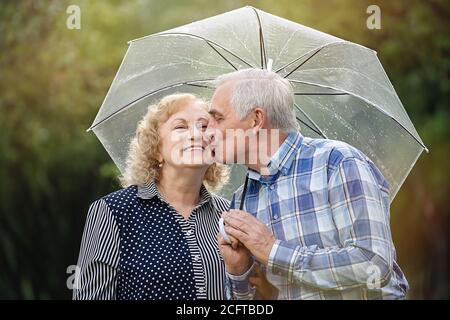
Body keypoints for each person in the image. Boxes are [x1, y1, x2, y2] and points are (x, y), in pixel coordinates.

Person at [205, 68, 409, 299]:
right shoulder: (241, 200)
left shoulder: (337, 162)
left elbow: (372, 265)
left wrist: (273, 250)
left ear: (256, 120)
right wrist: (239, 272)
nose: (207, 133)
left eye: (218, 118)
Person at [73, 93, 230, 300]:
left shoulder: (229, 215)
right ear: (156, 149)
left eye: (203, 126)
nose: (196, 135)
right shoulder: (113, 212)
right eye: (180, 127)